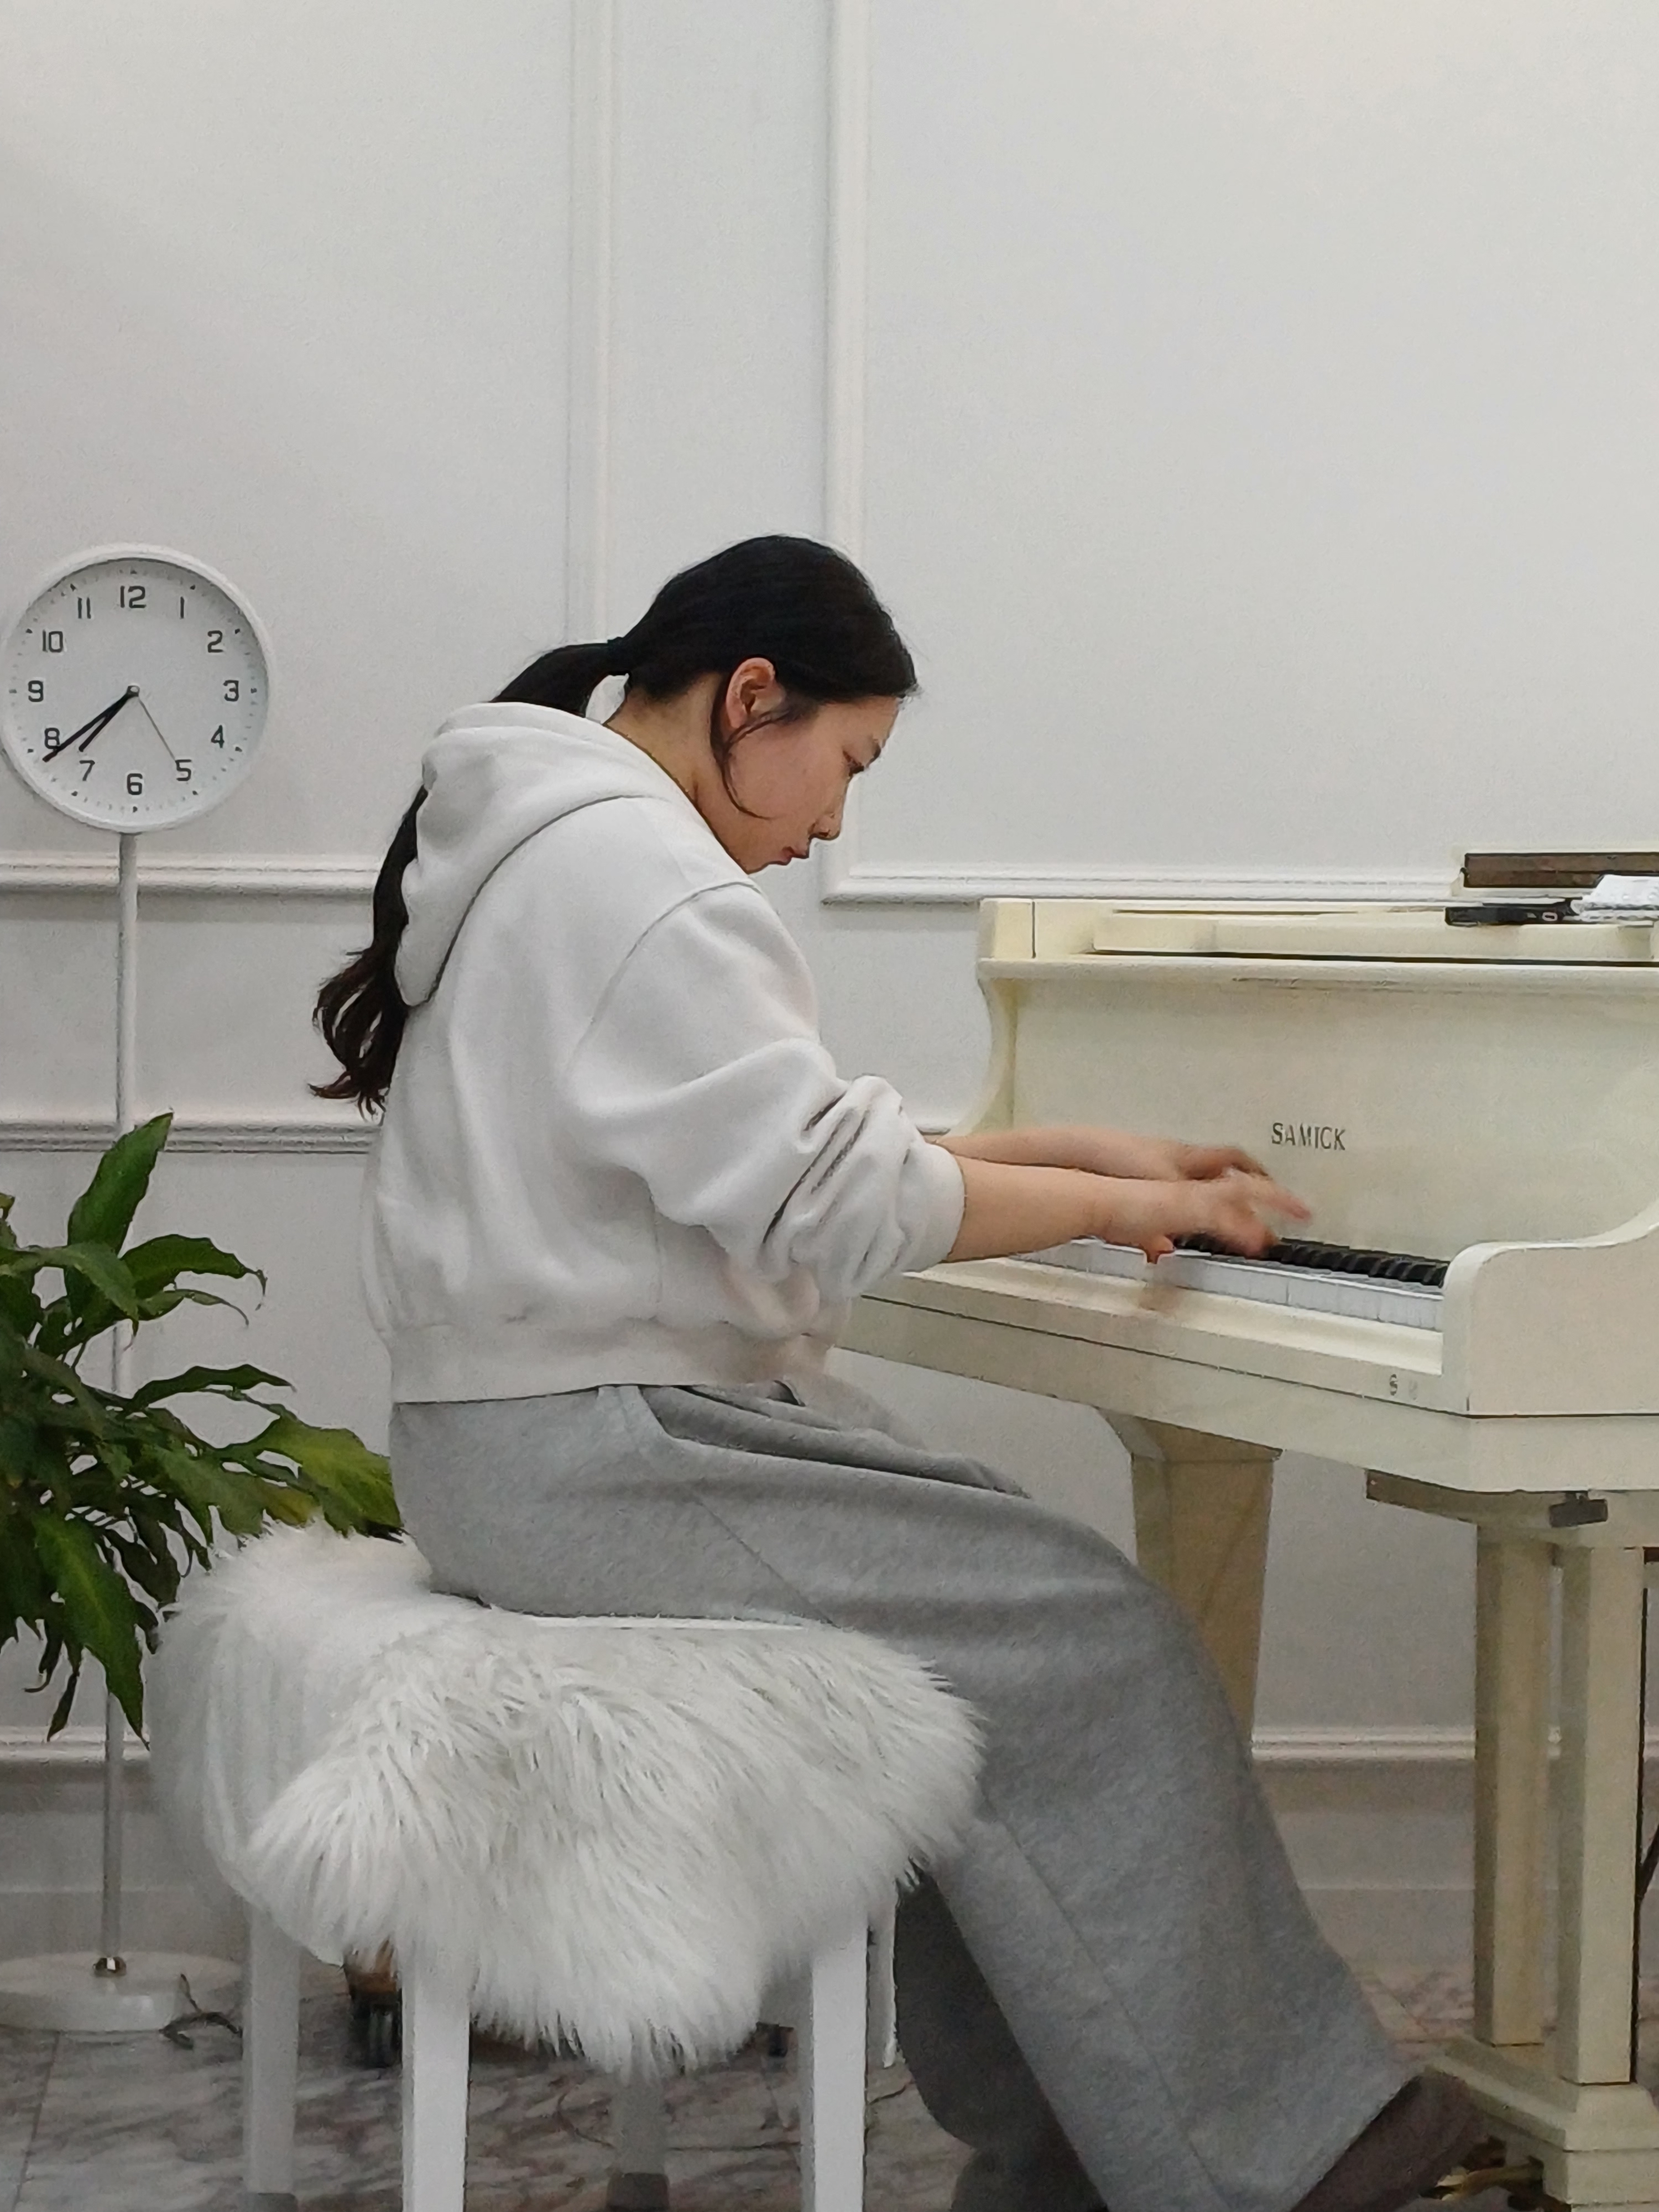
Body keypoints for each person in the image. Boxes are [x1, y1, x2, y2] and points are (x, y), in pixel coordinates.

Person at [315, 535, 1480, 2212]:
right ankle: (1271, 2159)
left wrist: (1085, 1156)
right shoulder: (642, 879)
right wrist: (1118, 1208)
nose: (834, 823)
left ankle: (1075, 2162)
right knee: (1105, 1642)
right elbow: (841, 1204)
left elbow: (769, 1159)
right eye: (849, 764)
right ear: (753, 697)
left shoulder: (547, 845)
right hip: (604, 1452)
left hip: (540, 1444)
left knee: (993, 1644)